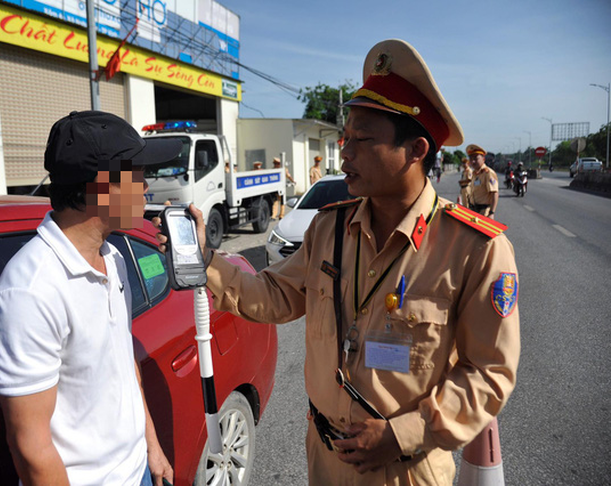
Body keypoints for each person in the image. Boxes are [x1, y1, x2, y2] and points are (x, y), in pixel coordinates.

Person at [156, 39, 519, 485]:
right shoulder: (329, 229)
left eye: (362, 140)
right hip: (326, 462)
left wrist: (404, 433)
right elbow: (273, 295)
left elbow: (489, 372)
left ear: (416, 150)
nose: (344, 153)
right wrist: (207, 257)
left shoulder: (474, 249)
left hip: (407, 471)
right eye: (345, 138)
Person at [0, 111, 182, 486]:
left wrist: (151, 446)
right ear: (102, 188)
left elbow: (124, 368)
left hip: (137, 468)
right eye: (136, 175)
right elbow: (31, 449)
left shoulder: (112, 257)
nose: (146, 187)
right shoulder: (30, 291)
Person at [467, 144, 499, 218]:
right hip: (474, 211)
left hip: (484, 212)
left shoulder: (488, 173)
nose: (473, 161)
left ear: (483, 159)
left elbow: (494, 193)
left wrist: (491, 212)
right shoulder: (474, 173)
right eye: (471, 159)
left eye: (476, 158)